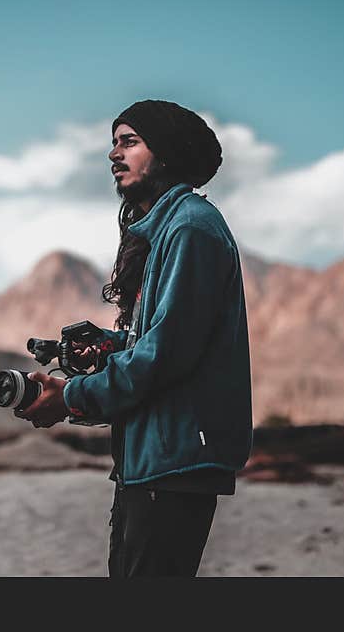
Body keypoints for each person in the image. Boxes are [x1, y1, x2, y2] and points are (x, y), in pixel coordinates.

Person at [17, 99, 253, 577]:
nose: (113, 155)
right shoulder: (170, 229)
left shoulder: (190, 228)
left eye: (129, 142)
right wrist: (107, 346)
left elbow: (165, 356)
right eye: (113, 143)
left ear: (164, 152)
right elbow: (161, 341)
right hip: (151, 462)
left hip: (174, 464)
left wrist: (71, 397)